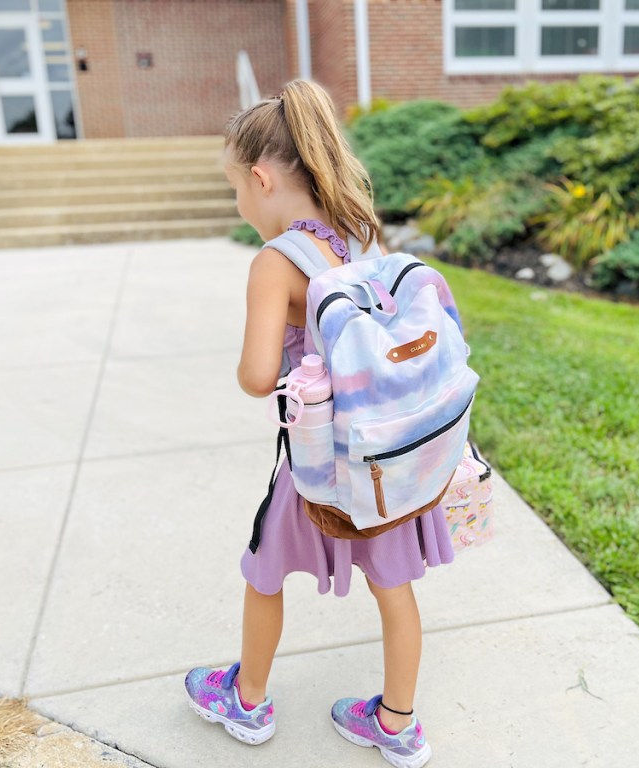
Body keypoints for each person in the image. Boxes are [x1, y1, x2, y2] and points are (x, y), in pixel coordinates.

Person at [183, 80, 454, 768]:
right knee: (395, 590)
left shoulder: (277, 263)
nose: (240, 205)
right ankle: (397, 723)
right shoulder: (361, 235)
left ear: (261, 177)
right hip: (386, 459)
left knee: (263, 572)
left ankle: (246, 699)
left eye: (235, 190)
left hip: (319, 465)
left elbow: (253, 376)